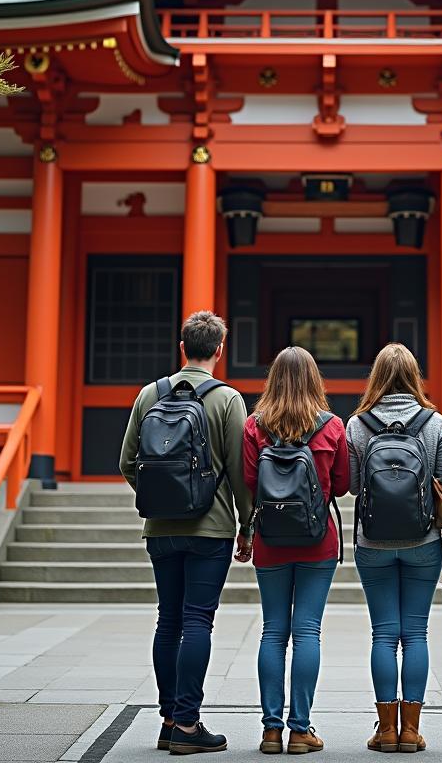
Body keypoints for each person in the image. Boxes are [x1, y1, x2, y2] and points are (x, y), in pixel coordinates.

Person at [119, 311, 253, 755]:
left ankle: (169, 719)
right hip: (210, 527)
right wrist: (246, 525)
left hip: (159, 527)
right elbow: (237, 469)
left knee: (168, 619)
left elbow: (126, 462)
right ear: (219, 349)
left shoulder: (149, 394)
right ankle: (189, 726)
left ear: (183, 348)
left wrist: (159, 495)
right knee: (198, 619)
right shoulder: (228, 399)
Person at [242, 346, 349, 755]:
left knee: (272, 631)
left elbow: (250, 482)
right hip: (317, 541)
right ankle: (300, 730)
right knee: (306, 631)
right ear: (314, 380)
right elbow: (340, 485)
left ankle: (271, 730)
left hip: (270, 541)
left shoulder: (255, 426)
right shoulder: (332, 426)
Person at [347, 343, 442, 753]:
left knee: (384, 634)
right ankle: (411, 730)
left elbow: (354, 486)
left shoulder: (357, 424)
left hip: (372, 541)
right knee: (417, 634)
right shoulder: (435, 422)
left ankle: (386, 729)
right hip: (423, 539)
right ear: (414, 376)